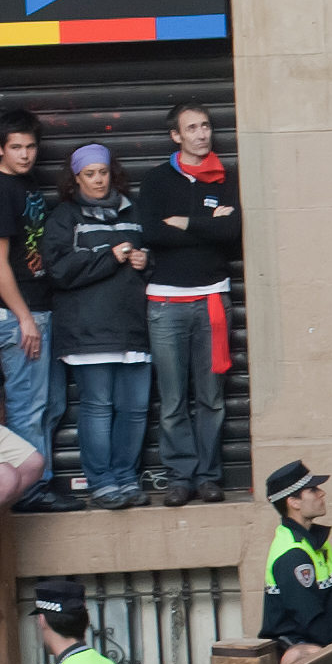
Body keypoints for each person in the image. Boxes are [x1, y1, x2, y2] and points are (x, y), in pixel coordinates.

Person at [137, 101, 239, 506]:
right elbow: (151, 233)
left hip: (213, 299)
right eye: (192, 128)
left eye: (206, 126)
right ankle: (180, 477)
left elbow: (231, 231)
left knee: (211, 396)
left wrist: (183, 222)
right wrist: (208, 227)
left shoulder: (224, 178)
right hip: (166, 304)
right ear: (175, 136)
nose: (202, 134)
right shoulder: (157, 180)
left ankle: (209, 476)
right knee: (174, 398)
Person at [40, 143, 150, 507]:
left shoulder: (132, 211)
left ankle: (126, 478)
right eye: (90, 174)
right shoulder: (64, 217)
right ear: (76, 179)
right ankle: (101, 481)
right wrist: (110, 255)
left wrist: (143, 262)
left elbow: (155, 259)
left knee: (134, 409)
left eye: (103, 172)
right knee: (98, 406)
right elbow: (57, 270)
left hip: (133, 327)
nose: (98, 179)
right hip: (86, 331)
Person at [0, 109, 62, 512]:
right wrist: (23, 317)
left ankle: (39, 485)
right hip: (20, 315)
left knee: (47, 404)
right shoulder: (3, 189)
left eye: (31, 146)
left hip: (38, 307)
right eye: (16, 147)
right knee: (29, 406)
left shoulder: (25, 183)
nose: (25, 155)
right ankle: (32, 493)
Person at [260, 458, 332, 647]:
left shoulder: (315, 541)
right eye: (313, 490)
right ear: (294, 502)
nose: (321, 493)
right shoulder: (293, 554)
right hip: (304, 656)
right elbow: (311, 621)